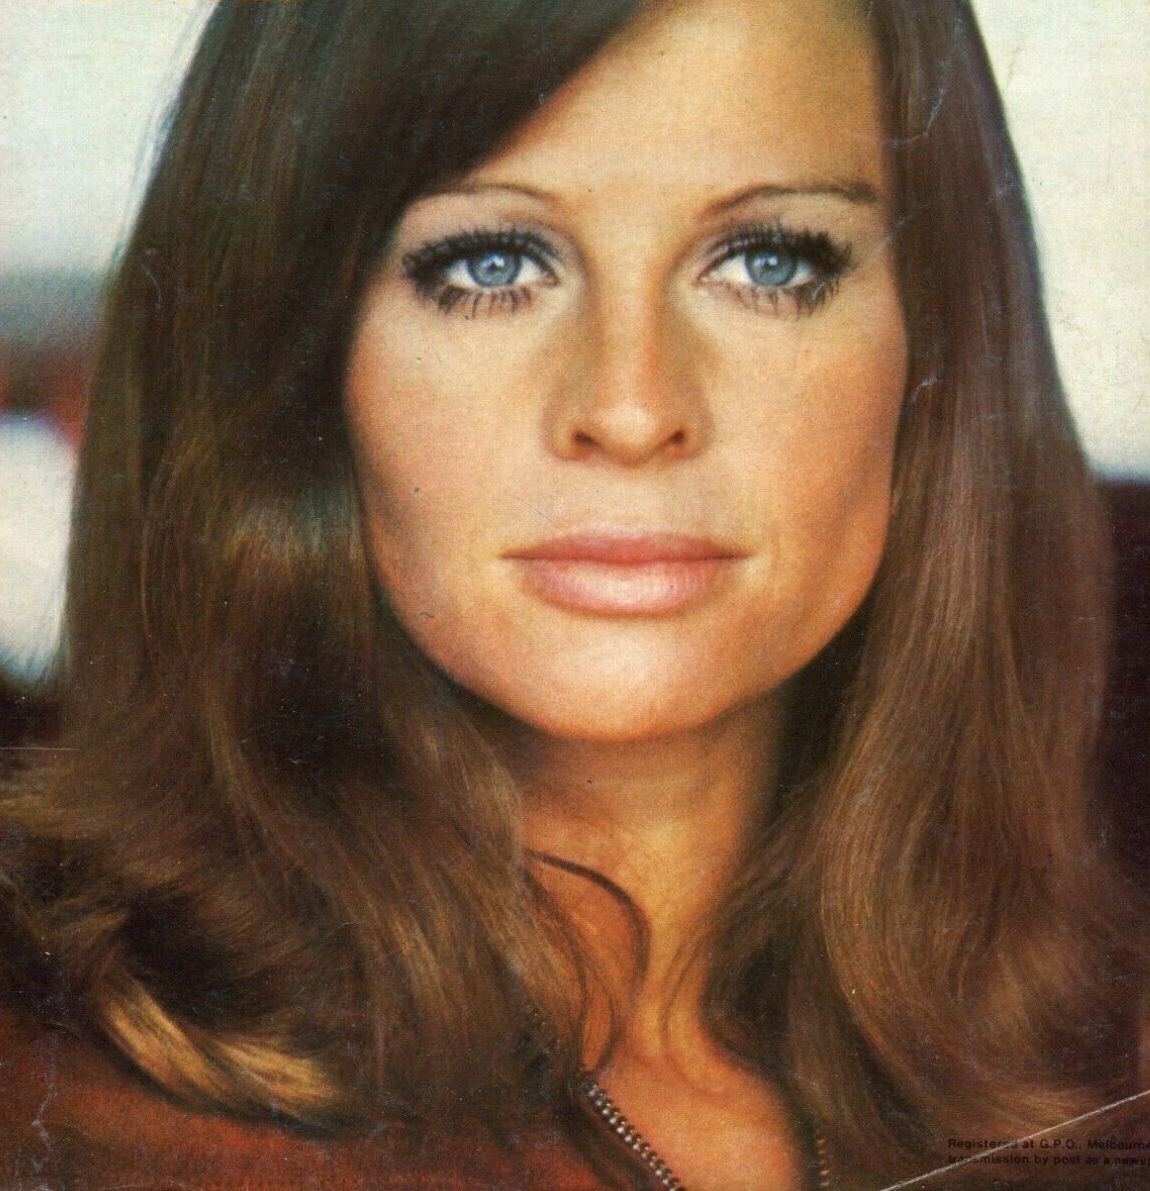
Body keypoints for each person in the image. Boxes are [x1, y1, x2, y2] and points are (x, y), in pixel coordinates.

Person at [1, 0, 1146, 1187]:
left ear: (937, 350)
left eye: (769, 262)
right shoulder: (48, 1100)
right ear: (291, 355)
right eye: (489, 264)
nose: (633, 408)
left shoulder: (1100, 1079)